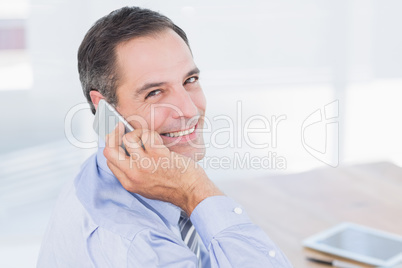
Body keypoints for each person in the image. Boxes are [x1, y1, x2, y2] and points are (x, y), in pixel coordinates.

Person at [37, 6, 293, 267]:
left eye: (189, 80)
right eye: (155, 92)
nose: (189, 109)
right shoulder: (140, 247)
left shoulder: (97, 175)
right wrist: (195, 190)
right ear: (105, 108)